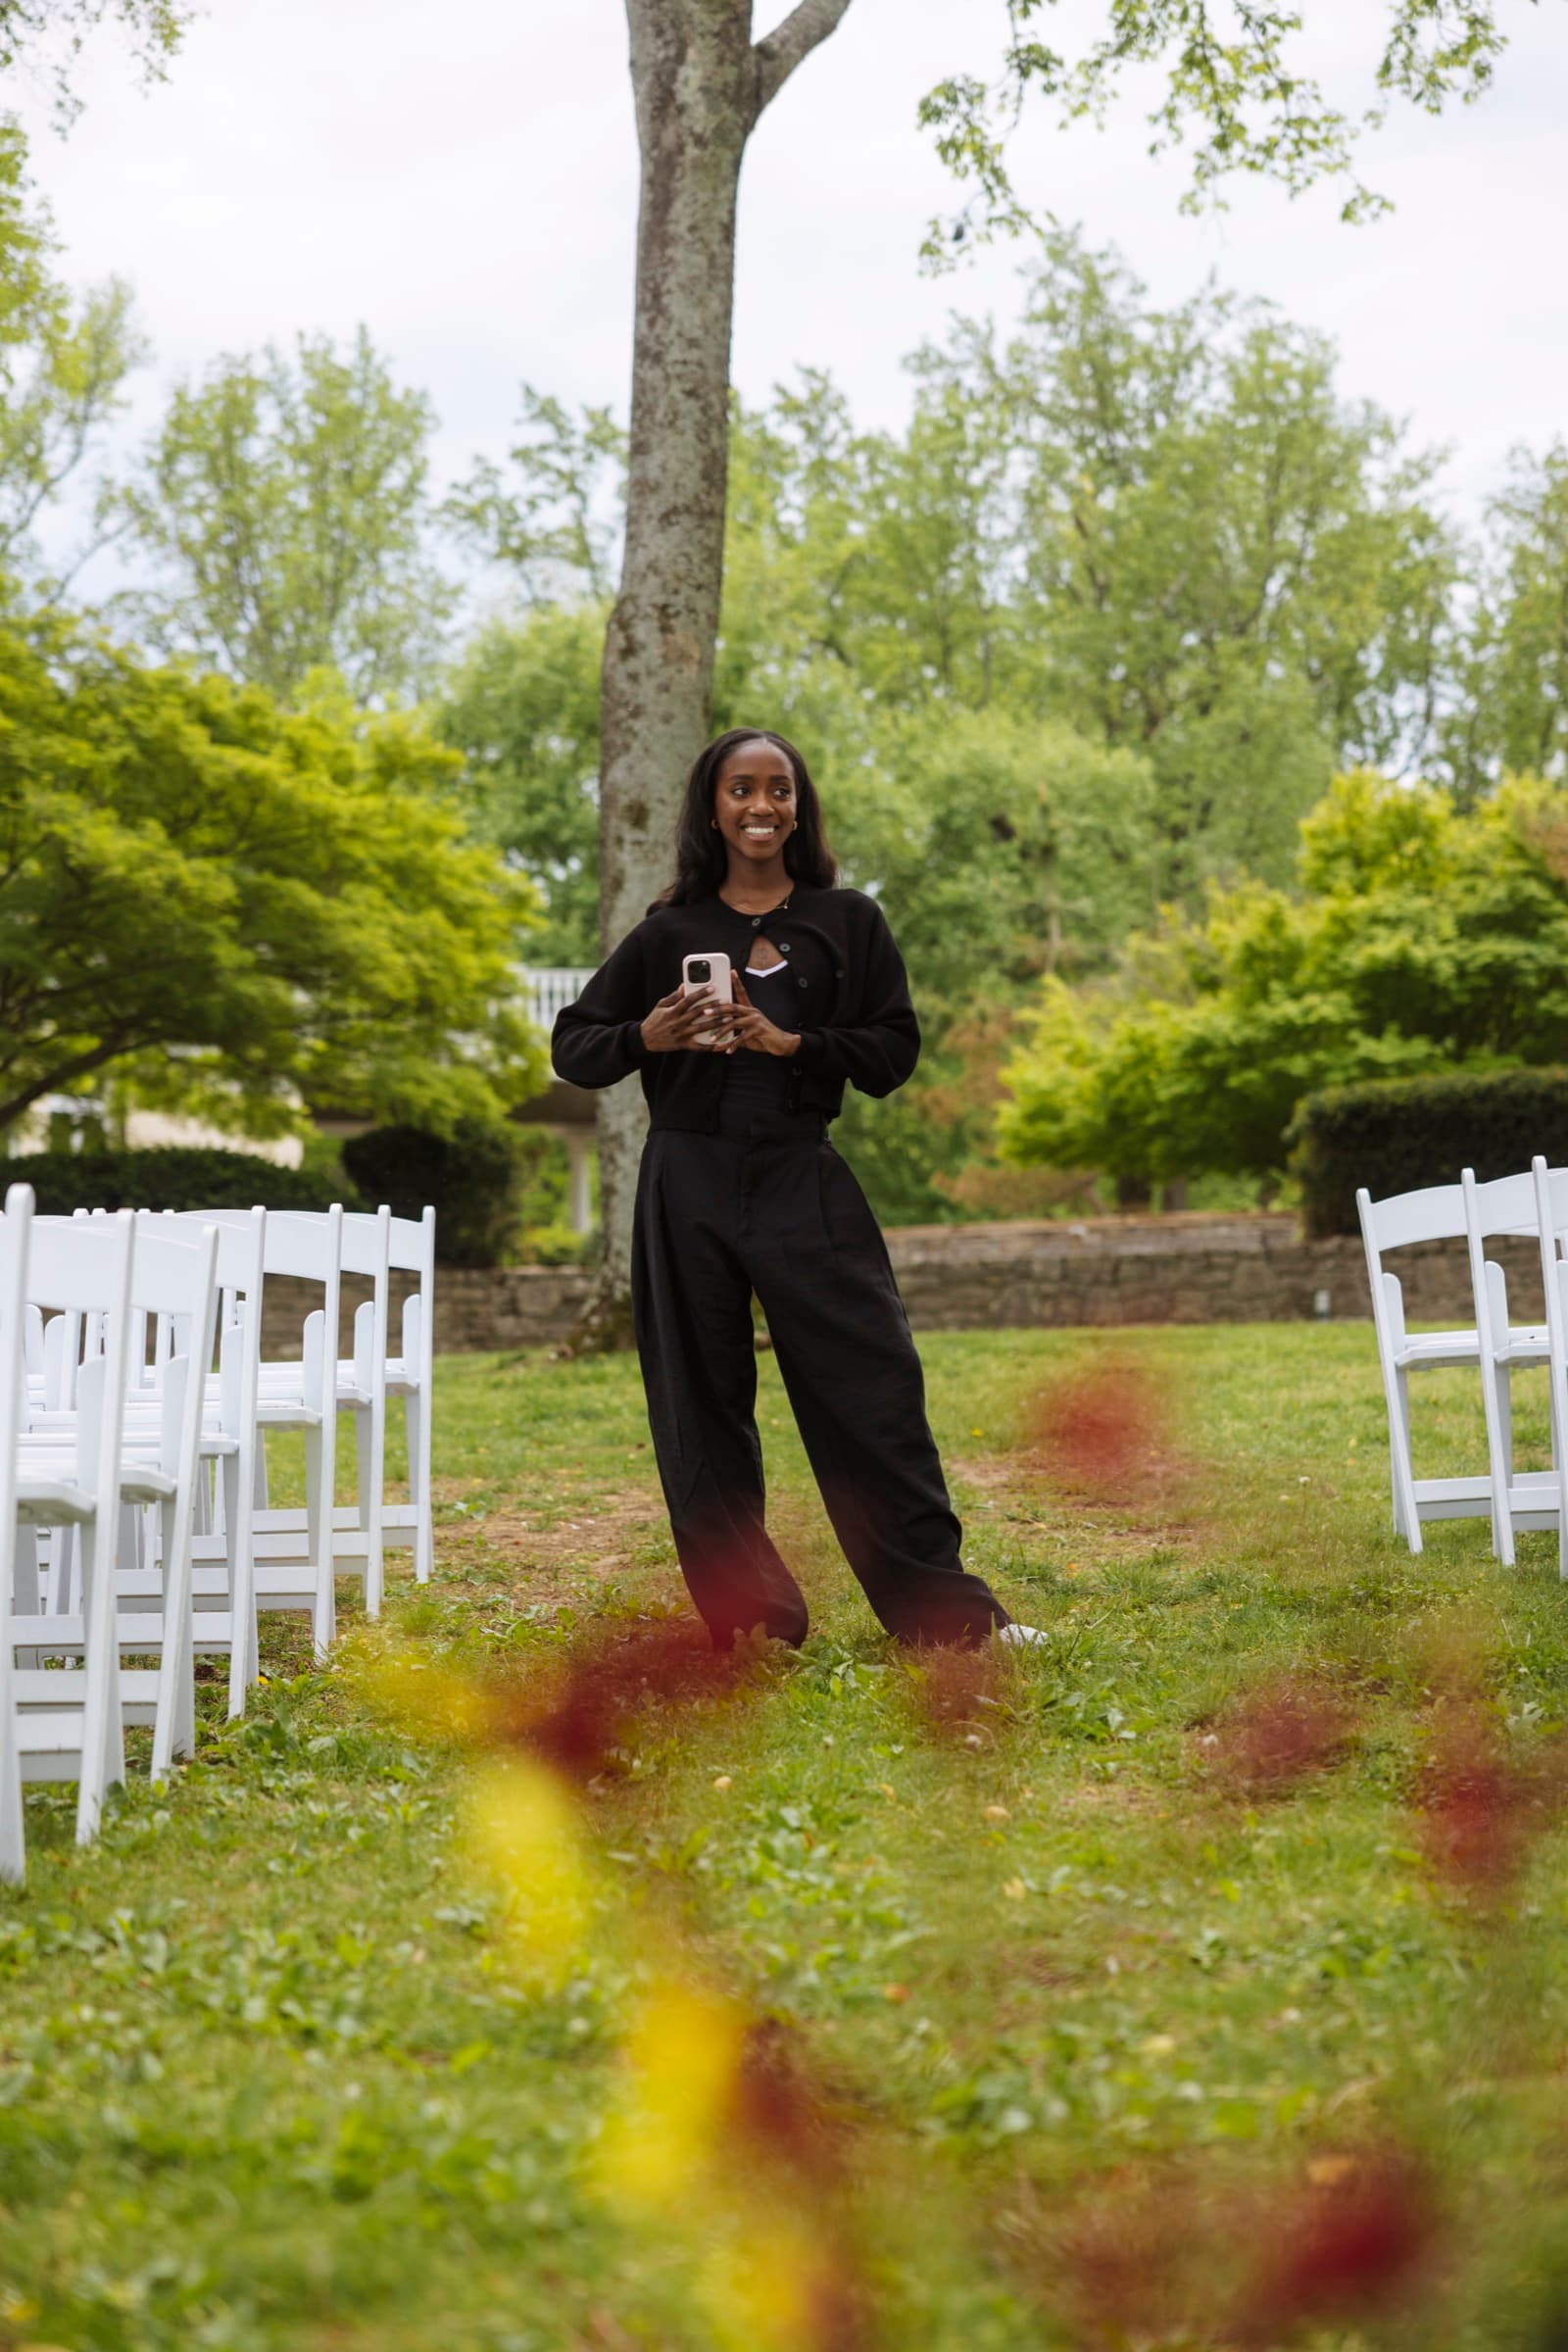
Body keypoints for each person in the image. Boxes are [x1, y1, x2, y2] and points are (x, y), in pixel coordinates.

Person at [552, 726, 1040, 1651]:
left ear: (800, 804)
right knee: (700, 1404)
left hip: (799, 1171)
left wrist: (794, 1044)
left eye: (780, 788)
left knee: (875, 1388)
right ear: (712, 807)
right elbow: (572, 1044)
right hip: (685, 1177)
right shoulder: (668, 933)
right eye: (741, 789)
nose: (762, 805)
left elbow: (894, 1051)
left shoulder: (848, 920)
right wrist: (646, 1037)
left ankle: (949, 1621)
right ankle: (754, 1627)